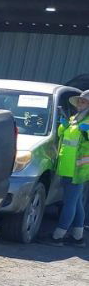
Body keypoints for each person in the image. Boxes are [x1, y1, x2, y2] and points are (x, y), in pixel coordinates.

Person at [40, 89, 89, 247]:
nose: (80, 104)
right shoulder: (76, 119)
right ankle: (77, 237)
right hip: (68, 167)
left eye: (84, 102)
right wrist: (64, 125)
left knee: (69, 203)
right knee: (76, 203)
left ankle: (58, 236)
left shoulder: (86, 121)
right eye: (80, 101)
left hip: (77, 169)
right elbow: (64, 136)